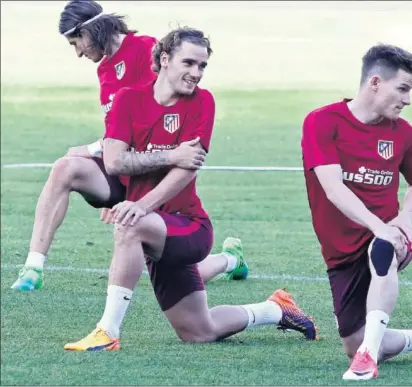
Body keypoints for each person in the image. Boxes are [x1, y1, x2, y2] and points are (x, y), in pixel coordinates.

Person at [63, 26, 318, 351]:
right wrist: (169, 155)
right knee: (199, 330)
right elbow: (114, 162)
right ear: (165, 59)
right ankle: (275, 309)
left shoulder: (202, 103)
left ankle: (107, 332)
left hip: (188, 227)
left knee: (128, 225)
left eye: (202, 66)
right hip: (153, 228)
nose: (196, 73)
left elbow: (184, 171)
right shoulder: (129, 99)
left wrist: (141, 206)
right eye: (189, 63)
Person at [11, 0, 248, 292]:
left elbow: (155, 120)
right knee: (65, 167)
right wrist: (104, 164)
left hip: (154, 179)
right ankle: (33, 268)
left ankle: (228, 260)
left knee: (163, 275)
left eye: (77, 42)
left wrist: (93, 151)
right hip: (125, 171)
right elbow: (120, 130)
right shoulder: (105, 70)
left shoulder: (146, 50)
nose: (79, 52)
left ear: (91, 30)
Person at [301, 44, 412, 380]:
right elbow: (333, 188)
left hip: (386, 236)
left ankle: (367, 361)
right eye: (402, 89)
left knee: (384, 248)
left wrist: (403, 219)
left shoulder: (403, 134)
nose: (408, 99)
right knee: (352, 341)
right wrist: (378, 225)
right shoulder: (322, 122)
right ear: (375, 82)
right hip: (342, 248)